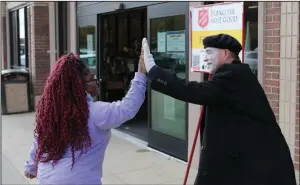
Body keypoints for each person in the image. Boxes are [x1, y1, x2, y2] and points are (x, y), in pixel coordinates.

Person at [142, 35, 296, 185]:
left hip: (256, 165)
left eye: (209, 52)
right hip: (244, 159)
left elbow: (192, 91)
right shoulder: (234, 73)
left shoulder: (233, 75)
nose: (205, 58)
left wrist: (154, 70)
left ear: (225, 53)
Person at [24, 52, 147, 184]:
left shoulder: (53, 113)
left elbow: (39, 140)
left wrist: (31, 166)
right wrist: (141, 73)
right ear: (79, 86)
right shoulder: (95, 113)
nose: (97, 81)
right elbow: (127, 108)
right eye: (92, 78)